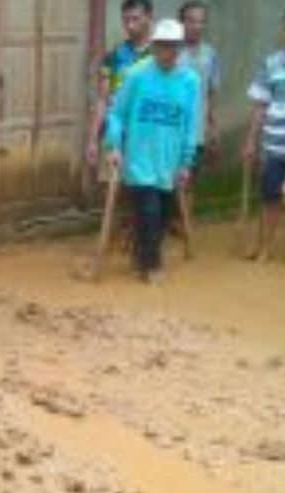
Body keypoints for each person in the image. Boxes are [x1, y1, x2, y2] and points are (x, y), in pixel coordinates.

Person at [104, 19, 200, 284]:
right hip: (139, 158)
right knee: (149, 211)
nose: (167, 52)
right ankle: (152, 266)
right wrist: (114, 145)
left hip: (169, 161)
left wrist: (186, 162)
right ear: (155, 46)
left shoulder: (190, 80)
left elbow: (191, 123)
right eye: (162, 46)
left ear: (180, 49)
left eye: (173, 47)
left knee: (164, 215)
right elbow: (117, 114)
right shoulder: (136, 74)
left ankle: (141, 255)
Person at [86, 0, 155, 169]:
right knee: (118, 185)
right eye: (126, 20)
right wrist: (93, 139)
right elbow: (103, 99)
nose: (130, 26)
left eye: (135, 19)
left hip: (153, 134)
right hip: (120, 133)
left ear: (150, 18)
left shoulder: (162, 56)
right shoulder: (115, 56)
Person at [242, 10, 285, 262]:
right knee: (269, 197)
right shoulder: (271, 63)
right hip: (274, 146)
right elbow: (260, 106)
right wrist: (250, 142)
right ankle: (264, 247)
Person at [177, 0, 220, 229]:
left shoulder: (210, 54)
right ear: (181, 22)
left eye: (201, 21)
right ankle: (167, 221)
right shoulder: (172, 52)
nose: (197, 26)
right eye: (191, 20)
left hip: (197, 129)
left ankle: (185, 223)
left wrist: (212, 129)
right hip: (172, 125)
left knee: (190, 177)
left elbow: (211, 95)